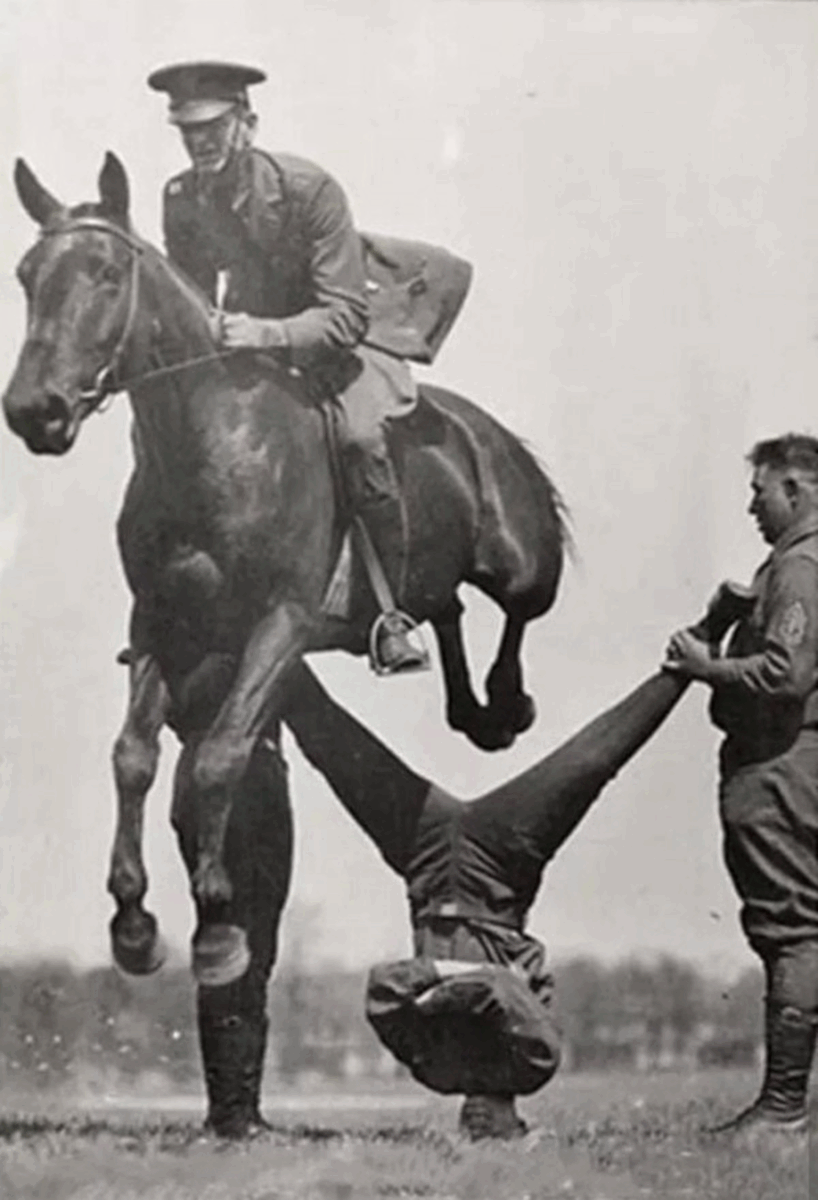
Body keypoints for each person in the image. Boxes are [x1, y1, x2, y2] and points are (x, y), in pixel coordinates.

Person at [281, 660, 689, 1139]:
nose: (476, 1125)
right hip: (500, 867)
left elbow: (382, 989)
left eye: (472, 1137)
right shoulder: (533, 1063)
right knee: (589, 764)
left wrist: (445, 980)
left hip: (425, 864)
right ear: (519, 1126)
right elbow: (498, 987)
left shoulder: (436, 1072)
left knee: (335, 749)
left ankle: (260, 642)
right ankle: (689, 657)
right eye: (492, 1134)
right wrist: (441, 991)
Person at [147, 60, 431, 674]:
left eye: (212, 128)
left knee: (361, 441)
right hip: (247, 347)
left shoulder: (310, 190)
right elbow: (193, 297)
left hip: (331, 348)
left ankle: (391, 615)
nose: (199, 143)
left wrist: (264, 333)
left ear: (246, 124)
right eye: (188, 131)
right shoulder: (180, 197)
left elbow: (345, 316)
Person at [665, 433, 818, 1138]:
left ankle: (783, 1107)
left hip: (782, 767)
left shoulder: (799, 567)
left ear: (797, 490)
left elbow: (784, 677)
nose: (751, 506)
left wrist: (706, 666)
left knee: (791, 930)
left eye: (761, 492)